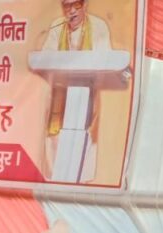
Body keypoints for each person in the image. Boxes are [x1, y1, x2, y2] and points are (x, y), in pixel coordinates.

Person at [38, 0, 112, 182]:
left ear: (85, 5)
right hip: (60, 92)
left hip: (88, 92)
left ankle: (79, 182)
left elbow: (106, 60)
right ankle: (56, 181)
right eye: (67, 6)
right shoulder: (57, 26)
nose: (71, 11)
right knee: (56, 138)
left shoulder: (98, 26)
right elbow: (45, 57)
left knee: (85, 135)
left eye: (76, 5)